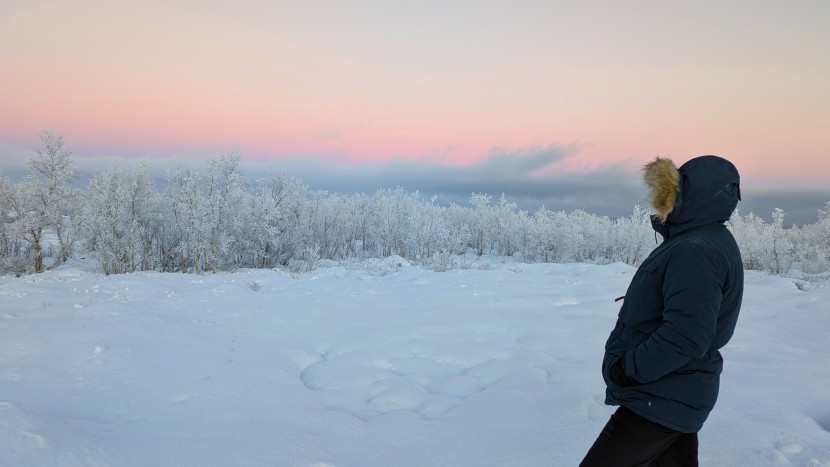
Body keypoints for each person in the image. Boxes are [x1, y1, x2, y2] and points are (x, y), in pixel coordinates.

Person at [580, 155, 744, 466]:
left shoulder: (695, 250)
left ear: (695, 194)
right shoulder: (706, 240)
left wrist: (627, 370)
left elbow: (687, 334)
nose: (664, 198)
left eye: (674, 189)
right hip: (678, 392)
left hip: (661, 395)